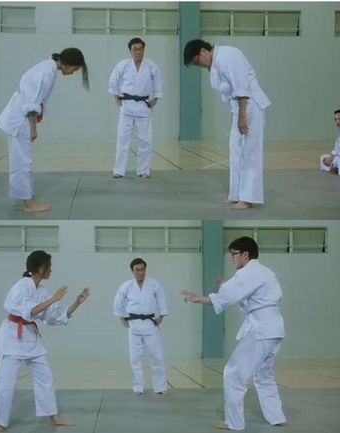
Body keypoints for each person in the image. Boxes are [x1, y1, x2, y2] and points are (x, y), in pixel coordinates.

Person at [181, 236, 287, 431]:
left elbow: (228, 296)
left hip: (261, 328)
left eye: (234, 254)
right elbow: (244, 296)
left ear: (246, 255)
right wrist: (224, 287)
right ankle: (276, 417)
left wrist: (198, 298)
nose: (231, 258)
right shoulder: (265, 271)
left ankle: (234, 422)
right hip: (275, 328)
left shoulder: (250, 271)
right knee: (264, 375)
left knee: (233, 373)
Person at [0, 250, 90, 433]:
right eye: (49, 266)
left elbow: (55, 316)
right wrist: (54, 298)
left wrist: (77, 303)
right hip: (11, 338)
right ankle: (0, 421)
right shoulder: (21, 286)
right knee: (6, 384)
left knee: (45, 377)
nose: (51, 270)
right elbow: (30, 311)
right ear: (41, 267)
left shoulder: (42, 291)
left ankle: (52, 416)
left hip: (29, 337)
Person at [0, 48, 89, 212]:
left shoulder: (47, 67)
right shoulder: (47, 71)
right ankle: (28, 203)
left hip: (20, 116)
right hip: (21, 120)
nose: (72, 73)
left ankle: (27, 199)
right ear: (68, 64)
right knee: (22, 162)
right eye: (74, 69)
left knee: (22, 161)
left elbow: (35, 98)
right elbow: (32, 101)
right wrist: (33, 128)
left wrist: (37, 117)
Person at [183, 40, 271, 210]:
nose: (199, 66)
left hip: (250, 105)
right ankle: (236, 194)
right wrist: (237, 114)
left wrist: (242, 116)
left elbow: (241, 87)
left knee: (250, 152)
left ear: (203, 51)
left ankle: (248, 197)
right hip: (238, 109)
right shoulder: (215, 64)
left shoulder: (227, 55)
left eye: (197, 61)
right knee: (235, 151)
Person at [109, 38, 163, 179]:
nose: (138, 52)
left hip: (143, 106)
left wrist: (156, 99)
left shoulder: (151, 65)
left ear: (144, 50)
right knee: (122, 138)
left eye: (140, 49)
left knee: (145, 140)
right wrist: (115, 96)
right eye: (135, 49)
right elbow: (113, 80)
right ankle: (119, 170)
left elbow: (158, 82)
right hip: (127, 105)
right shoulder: (123, 65)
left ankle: (143, 170)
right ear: (130, 51)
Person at [113, 258, 168, 395]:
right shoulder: (126, 286)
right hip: (134, 325)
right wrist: (122, 318)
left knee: (157, 357)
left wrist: (161, 316)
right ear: (132, 271)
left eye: (142, 269)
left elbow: (161, 300)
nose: (140, 272)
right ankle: (138, 387)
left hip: (150, 324)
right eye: (137, 270)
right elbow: (118, 303)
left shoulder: (154, 284)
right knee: (135, 359)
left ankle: (160, 387)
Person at [320, 109, 340, 175]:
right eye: (335, 120)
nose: (337, 122)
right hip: (338, 157)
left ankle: (337, 169)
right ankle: (333, 169)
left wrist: (334, 156)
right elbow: (337, 149)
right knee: (323, 158)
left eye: (339, 119)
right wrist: (331, 156)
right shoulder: (339, 135)